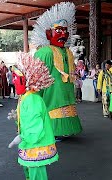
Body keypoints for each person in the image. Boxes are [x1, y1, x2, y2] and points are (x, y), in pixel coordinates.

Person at [31, 2, 83, 140]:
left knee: (67, 107)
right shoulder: (45, 52)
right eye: (59, 30)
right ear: (49, 34)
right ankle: (51, 131)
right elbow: (37, 76)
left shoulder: (68, 52)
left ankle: (66, 129)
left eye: (65, 31)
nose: (63, 34)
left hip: (66, 89)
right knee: (52, 107)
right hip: (51, 92)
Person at [8, 52, 58, 180]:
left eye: (16, 77)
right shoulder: (26, 97)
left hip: (35, 143)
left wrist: (21, 136)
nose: (13, 80)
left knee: (36, 173)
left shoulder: (31, 99)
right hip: (31, 142)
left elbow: (35, 127)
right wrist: (17, 119)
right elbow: (28, 120)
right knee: (31, 171)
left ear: (27, 79)